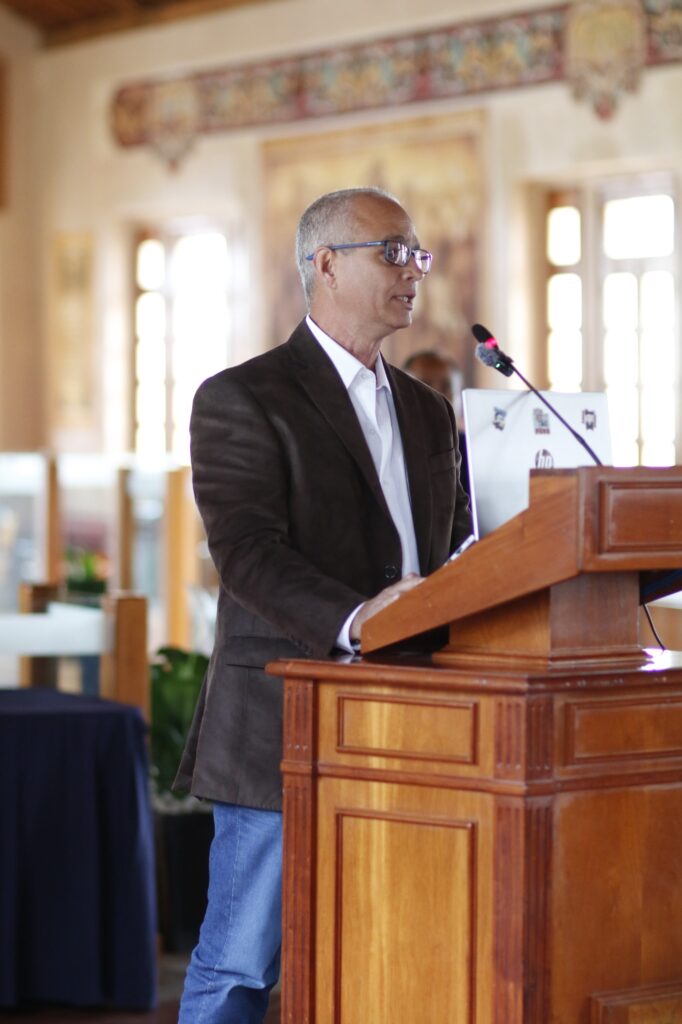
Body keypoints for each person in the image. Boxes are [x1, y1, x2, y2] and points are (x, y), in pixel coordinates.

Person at [174, 186, 471, 1024]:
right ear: (326, 264)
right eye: (393, 252)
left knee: (383, 956)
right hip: (282, 720)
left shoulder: (428, 410)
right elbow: (248, 554)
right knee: (241, 967)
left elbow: (450, 556)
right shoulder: (244, 397)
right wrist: (359, 618)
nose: (413, 271)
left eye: (418, 254)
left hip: (414, 725)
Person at [404, 349, 469, 496]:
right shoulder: (389, 447)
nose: (437, 396)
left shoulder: (473, 449)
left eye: (446, 387)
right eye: (424, 386)